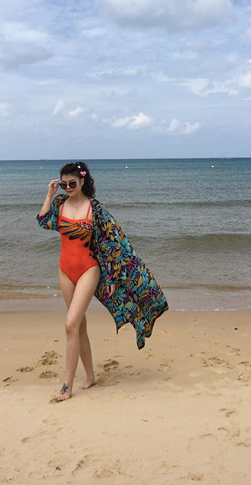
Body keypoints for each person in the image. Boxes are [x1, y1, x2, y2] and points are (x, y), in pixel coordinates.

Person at [37, 161, 168, 402]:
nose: (68, 188)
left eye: (72, 183)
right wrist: (49, 195)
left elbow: (114, 242)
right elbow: (43, 221)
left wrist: (113, 276)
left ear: (82, 181)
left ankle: (66, 386)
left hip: (89, 270)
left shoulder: (95, 209)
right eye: (63, 184)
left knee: (70, 324)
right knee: (78, 326)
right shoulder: (59, 203)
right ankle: (90, 377)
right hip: (65, 271)